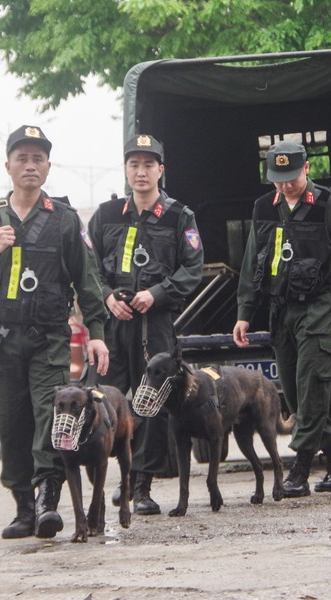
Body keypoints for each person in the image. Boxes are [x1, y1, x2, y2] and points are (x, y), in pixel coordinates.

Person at [0, 125, 110, 540]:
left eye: (38, 158)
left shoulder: (64, 220)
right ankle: (23, 507)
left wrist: (95, 331)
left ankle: (48, 501)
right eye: (22, 158)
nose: (30, 165)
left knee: (51, 414)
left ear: (48, 167)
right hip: (1, 340)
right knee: (9, 420)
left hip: (48, 337)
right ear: (8, 166)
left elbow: (87, 279)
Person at [233, 140, 331, 497]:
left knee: (311, 385)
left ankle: (299, 470)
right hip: (280, 310)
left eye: (291, 177)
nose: (285, 185)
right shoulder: (263, 208)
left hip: (318, 306)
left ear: (306, 169)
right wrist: (244, 313)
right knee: (295, 393)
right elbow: (250, 263)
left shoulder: (330, 206)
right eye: (278, 179)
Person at [87, 134, 204, 515]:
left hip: (156, 323)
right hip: (113, 325)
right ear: (125, 170)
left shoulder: (178, 216)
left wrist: (157, 292)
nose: (141, 172)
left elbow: (193, 267)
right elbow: (87, 267)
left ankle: (142, 486)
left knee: (150, 403)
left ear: (160, 170)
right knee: (106, 401)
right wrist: (106, 297)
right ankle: (108, 484)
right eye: (134, 164)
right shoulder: (106, 214)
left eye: (148, 164)